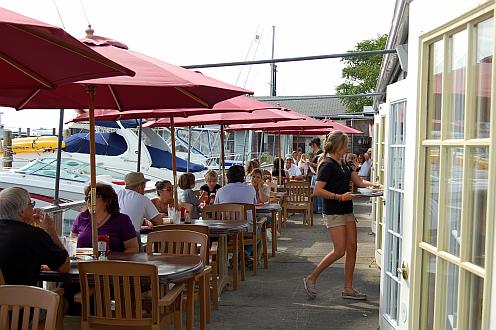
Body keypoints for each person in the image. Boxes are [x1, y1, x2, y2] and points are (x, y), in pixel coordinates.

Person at [303, 131, 374, 301]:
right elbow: (317, 190)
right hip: (334, 211)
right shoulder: (327, 164)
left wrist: (378, 186)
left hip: (347, 211)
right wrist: (339, 197)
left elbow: (360, 182)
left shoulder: (344, 164)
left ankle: (348, 289)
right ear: (338, 146)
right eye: (346, 144)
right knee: (340, 250)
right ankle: (311, 278)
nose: (348, 147)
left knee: (352, 248)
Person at [0, 187, 69, 285]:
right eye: (31, 204)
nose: (33, 208)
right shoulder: (33, 235)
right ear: (21, 212)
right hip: (22, 298)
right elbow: (64, 266)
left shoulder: (29, 234)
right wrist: (50, 230)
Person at [72, 183, 139, 253]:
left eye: (94, 196)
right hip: (84, 262)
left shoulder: (122, 220)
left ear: (107, 200)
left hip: (111, 263)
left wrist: (116, 260)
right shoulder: (82, 218)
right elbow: (72, 243)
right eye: (87, 198)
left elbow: (133, 249)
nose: (89, 200)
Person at [309, 137, 323, 214]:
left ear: (314, 145)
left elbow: (320, 165)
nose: (311, 147)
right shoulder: (317, 154)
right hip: (314, 174)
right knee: (315, 192)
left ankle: (319, 208)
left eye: (311, 145)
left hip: (318, 175)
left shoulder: (320, 154)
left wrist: (311, 164)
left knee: (317, 192)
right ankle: (315, 208)